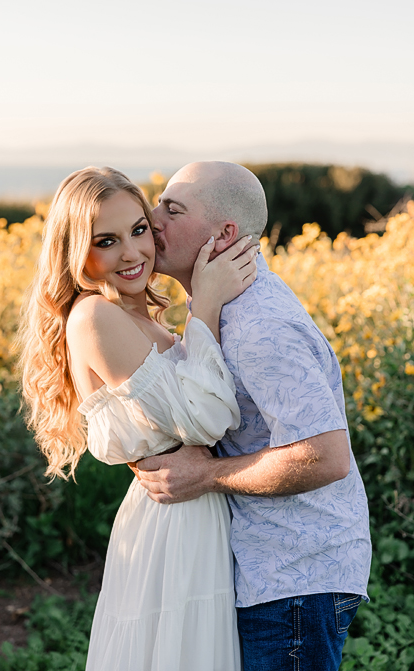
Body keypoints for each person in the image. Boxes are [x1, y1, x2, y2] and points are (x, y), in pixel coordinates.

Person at [19, 166, 259, 670]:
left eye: (139, 230)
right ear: (76, 251)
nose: (132, 253)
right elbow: (208, 419)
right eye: (106, 240)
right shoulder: (94, 317)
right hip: (175, 522)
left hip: (193, 509)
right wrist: (208, 304)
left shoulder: (138, 319)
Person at [135, 161, 371, 670]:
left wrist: (205, 476)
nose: (153, 219)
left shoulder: (258, 326)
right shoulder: (226, 309)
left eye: (172, 209)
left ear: (224, 235)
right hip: (275, 575)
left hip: (295, 580)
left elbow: (328, 457)